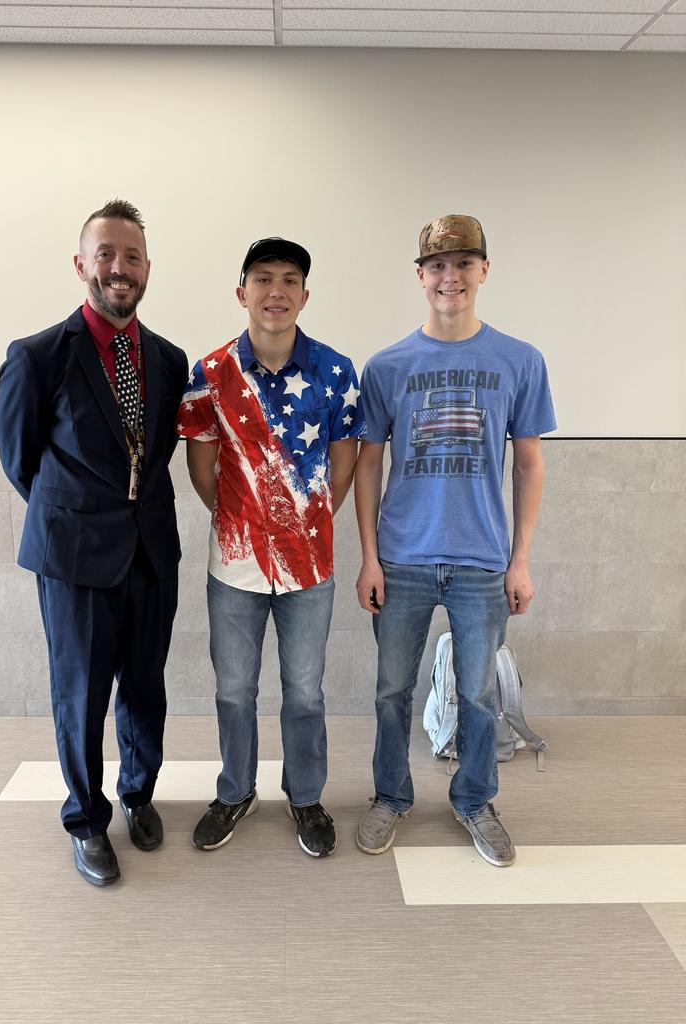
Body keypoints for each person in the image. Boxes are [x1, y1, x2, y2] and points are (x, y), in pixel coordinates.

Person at [0, 199, 188, 886]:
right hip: (74, 556)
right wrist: (75, 516)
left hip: (150, 551)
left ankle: (138, 793)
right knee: (80, 693)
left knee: (145, 686)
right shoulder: (37, 356)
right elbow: (19, 461)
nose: (119, 267)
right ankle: (86, 819)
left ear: (147, 268)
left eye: (131, 256)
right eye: (105, 254)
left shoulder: (169, 360)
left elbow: (155, 454)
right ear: (82, 264)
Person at [354, 214, 556, 866]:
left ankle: (474, 800)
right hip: (402, 559)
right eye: (437, 265)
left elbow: (529, 465)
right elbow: (367, 465)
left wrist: (520, 560)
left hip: (482, 563)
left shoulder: (520, 360)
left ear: (484, 270)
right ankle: (390, 796)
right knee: (391, 692)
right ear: (421, 276)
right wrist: (368, 558)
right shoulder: (387, 366)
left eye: (464, 263)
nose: (451, 276)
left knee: (477, 695)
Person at [178, 237, 364, 857]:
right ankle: (235, 790)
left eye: (289, 280)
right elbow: (201, 469)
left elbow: (344, 462)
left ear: (305, 296)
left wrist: (303, 527)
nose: (276, 291)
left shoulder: (336, 371)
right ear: (242, 293)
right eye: (263, 278)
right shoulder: (210, 374)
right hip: (234, 566)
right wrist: (247, 525)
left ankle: (305, 796)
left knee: (304, 692)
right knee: (234, 689)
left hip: (310, 567)